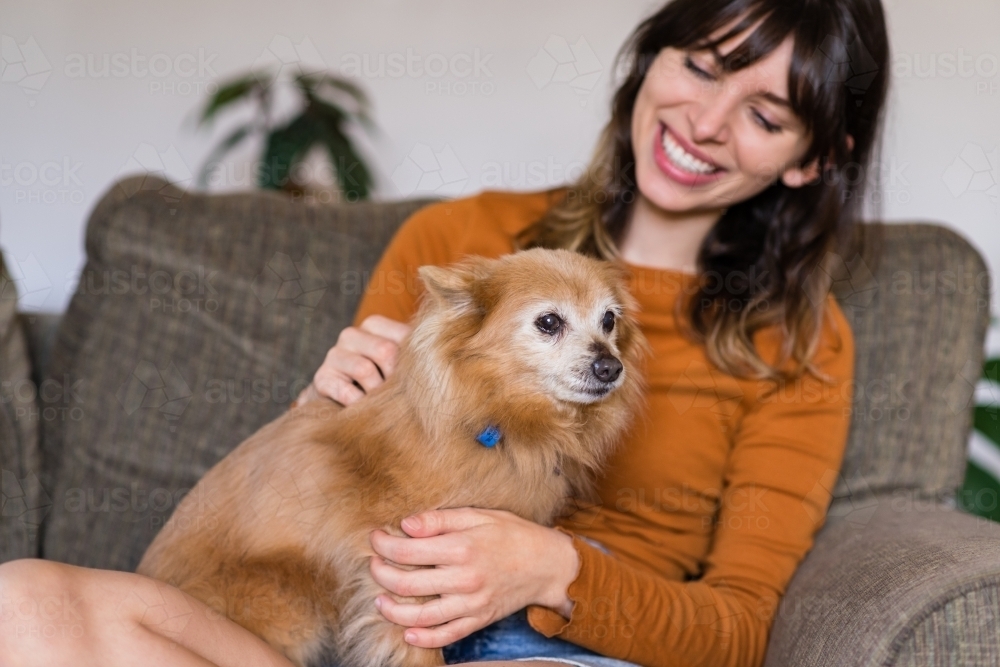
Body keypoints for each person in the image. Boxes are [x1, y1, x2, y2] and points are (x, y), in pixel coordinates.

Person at [0, 0, 890, 665]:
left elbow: (740, 628)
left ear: (815, 157)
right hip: (368, 635)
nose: (704, 122)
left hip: (566, 653)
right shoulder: (457, 245)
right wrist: (326, 407)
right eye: (699, 67)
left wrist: (555, 569)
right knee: (23, 603)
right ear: (650, 60)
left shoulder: (800, 343)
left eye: (765, 116)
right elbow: (344, 523)